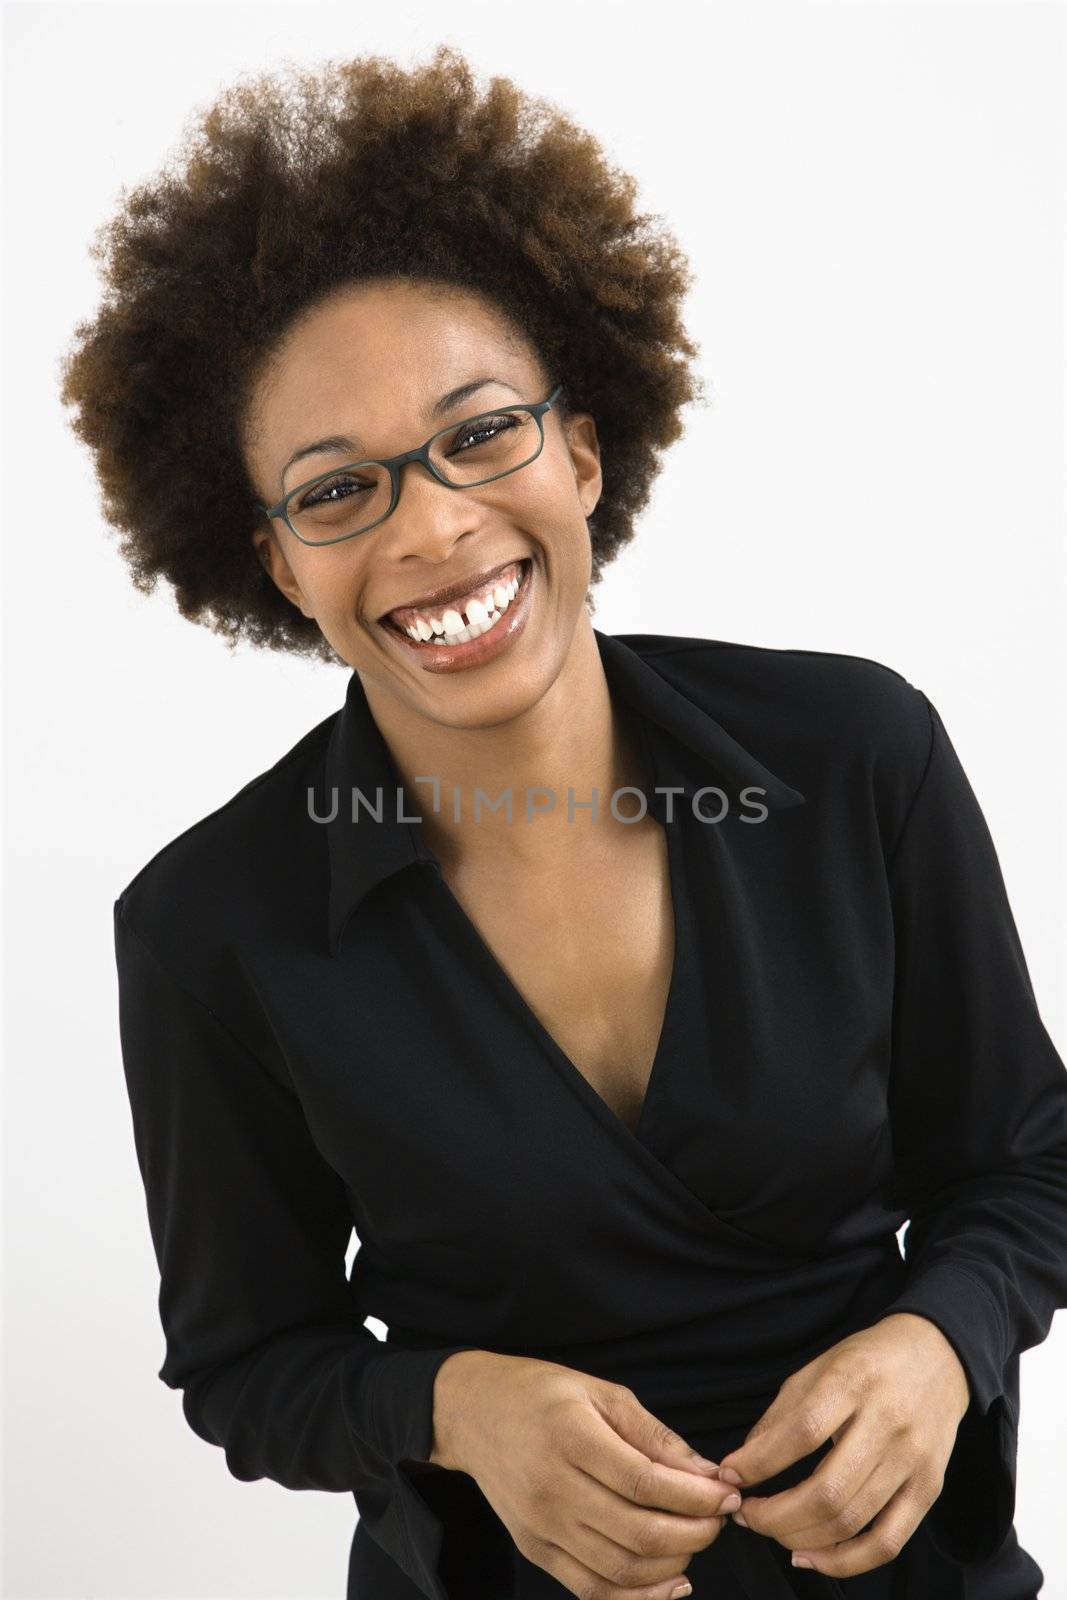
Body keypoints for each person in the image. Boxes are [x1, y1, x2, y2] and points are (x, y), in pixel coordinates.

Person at [60, 43, 1065, 1600]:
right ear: (272, 563)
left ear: (581, 453)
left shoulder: (859, 752)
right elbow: (249, 1364)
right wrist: (455, 1408)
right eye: (339, 491)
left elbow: (1033, 1167)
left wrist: (943, 1341)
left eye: (481, 435)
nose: (435, 524)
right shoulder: (212, 926)